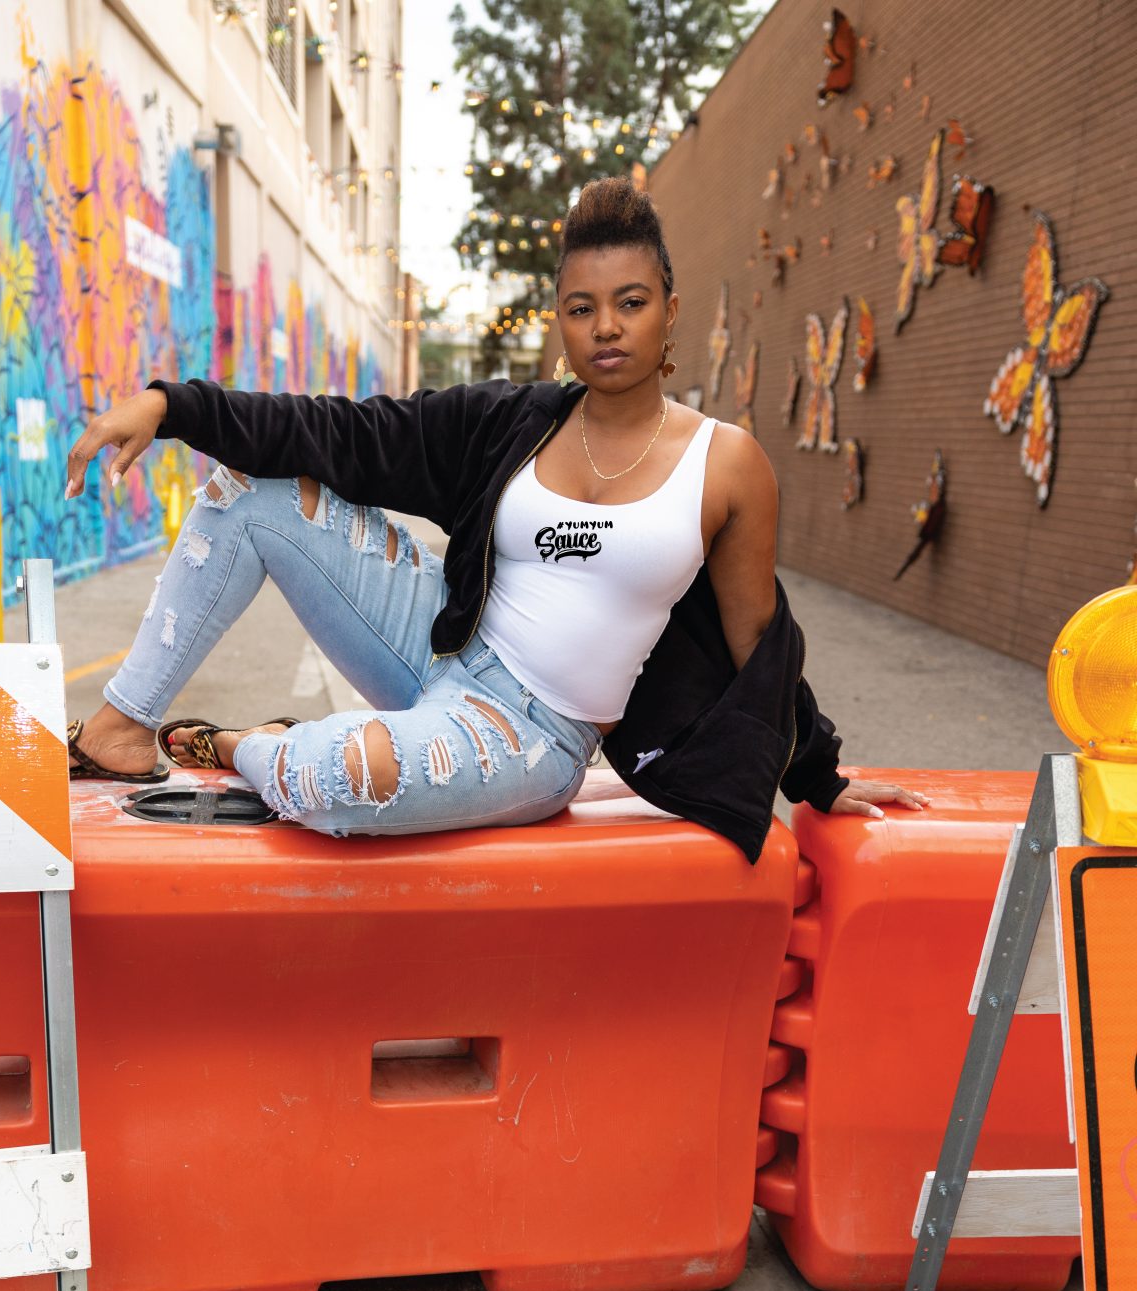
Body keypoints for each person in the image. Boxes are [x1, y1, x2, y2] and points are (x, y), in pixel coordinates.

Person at [63, 178, 926, 855]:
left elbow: (760, 642)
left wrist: (818, 774)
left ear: (669, 310)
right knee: (252, 492)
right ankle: (121, 728)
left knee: (335, 782)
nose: (606, 328)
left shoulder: (726, 463)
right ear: (560, 321)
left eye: (631, 302)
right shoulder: (512, 422)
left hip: (533, 737)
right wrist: (174, 408)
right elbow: (347, 431)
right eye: (582, 308)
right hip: (442, 654)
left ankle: (247, 744)